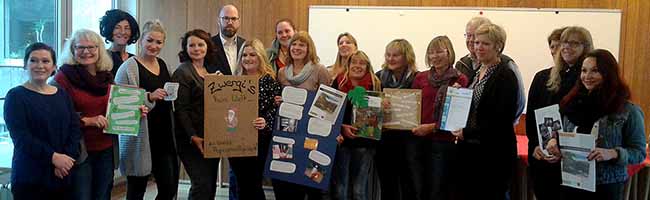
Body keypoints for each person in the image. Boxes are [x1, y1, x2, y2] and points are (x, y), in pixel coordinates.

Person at [554, 49, 646, 200]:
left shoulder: (627, 111)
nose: (587, 76)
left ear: (608, 74)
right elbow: (561, 136)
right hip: (572, 182)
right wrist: (553, 142)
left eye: (595, 71)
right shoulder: (570, 104)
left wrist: (613, 153)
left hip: (606, 186)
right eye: (584, 71)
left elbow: (639, 153)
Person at [451, 23, 519, 200]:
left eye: (485, 44)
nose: (478, 47)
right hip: (472, 151)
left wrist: (467, 132)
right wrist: (460, 94)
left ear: (498, 46)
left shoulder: (505, 75)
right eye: (476, 42)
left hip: (493, 153)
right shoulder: (478, 72)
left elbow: (501, 120)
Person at [4, 43, 81, 200]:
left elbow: (74, 128)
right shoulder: (15, 96)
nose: (40, 66)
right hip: (31, 177)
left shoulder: (62, 95)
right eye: (34, 60)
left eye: (45, 61)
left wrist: (65, 160)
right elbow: (22, 138)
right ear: (25, 65)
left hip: (63, 173)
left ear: (54, 67)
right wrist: (54, 158)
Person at [115, 20, 179, 200]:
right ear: (141, 40)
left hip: (164, 136)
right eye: (150, 40)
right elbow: (120, 107)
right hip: (139, 139)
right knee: (137, 190)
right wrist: (149, 97)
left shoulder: (163, 64)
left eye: (159, 42)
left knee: (168, 188)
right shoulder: (128, 68)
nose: (154, 46)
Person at [526, 26, 592, 200]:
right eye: (563, 42)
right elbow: (532, 119)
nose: (566, 47)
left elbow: (586, 121)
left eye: (573, 43)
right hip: (543, 157)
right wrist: (535, 146)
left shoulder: (589, 80)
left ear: (585, 47)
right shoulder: (542, 78)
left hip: (572, 159)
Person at [52, 29, 116, 200]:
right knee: (82, 196)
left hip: (106, 147)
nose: (86, 51)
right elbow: (56, 115)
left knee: (103, 195)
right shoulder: (62, 78)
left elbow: (115, 106)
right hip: (79, 151)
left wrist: (134, 112)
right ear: (72, 50)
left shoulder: (107, 77)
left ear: (99, 49)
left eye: (91, 47)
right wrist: (87, 121)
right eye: (80, 47)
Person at [273, 31, 331, 200]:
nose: (297, 48)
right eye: (294, 44)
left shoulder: (319, 70)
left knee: (312, 180)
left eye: (302, 45)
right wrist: (279, 101)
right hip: (286, 131)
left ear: (309, 48)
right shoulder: (282, 72)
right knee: (286, 177)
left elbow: (329, 105)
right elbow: (280, 99)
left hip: (313, 133)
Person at [411, 36, 468, 200]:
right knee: (418, 187)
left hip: (443, 141)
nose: (435, 56)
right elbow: (412, 106)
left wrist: (432, 127)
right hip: (418, 139)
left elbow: (457, 116)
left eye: (439, 51)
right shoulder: (420, 78)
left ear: (449, 52)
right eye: (431, 52)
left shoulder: (460, 79)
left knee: (438, 189)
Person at [230, 39, 282, 200]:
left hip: (260, 140)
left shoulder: (269, 80)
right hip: (235, 139)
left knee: (253, 183)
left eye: (253, 54)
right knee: (240, 183)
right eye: (244, 55)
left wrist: (266, 121)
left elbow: (277, 110)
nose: (248, 58)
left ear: (260, 56)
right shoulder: (233, 80)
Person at [173, 29, 221, 200]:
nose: (196, 48)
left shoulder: (210, 71)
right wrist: (192, 135)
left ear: (207, 47)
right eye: (191, 45)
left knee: (209, 185)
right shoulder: (183, 72)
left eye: (200, 44)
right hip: (191, 139)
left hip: (211, 137)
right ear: (185, 48)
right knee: (201, 184)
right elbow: (181, 109)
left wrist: (220, 84)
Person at [374, 39, 422, 200]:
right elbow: (365, 101)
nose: (390, 59)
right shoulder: (378, 77)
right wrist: (377, 103)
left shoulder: (417, 78)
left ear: (407, 57)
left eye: (396, 55)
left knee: (409, 181)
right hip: (385, 137)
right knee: (387, 182)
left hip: (409, 139)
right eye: (388, 55)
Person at [330, 50, 381, 200]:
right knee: (341, 188)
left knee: (359, 189)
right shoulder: (338, 82)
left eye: (362, 63)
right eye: (354, 62)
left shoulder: (376, 83)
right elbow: (329, 112)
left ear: (367, 66)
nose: (357, 66)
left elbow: (380, 116)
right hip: (343, 142)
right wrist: (341, 128)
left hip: (365, 143)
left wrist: (384, 106)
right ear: (348, 64)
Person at [454, 16, 525, 124]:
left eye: (485, 42)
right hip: (468, 132)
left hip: (493, 134)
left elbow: (518, 102)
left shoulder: (506, 67)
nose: (472, 41)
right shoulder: (462, 64)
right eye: (469, 35)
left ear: (496, 45)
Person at [99, 9, 140, 76]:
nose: (123, 32)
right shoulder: (102, 57)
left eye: (127, 28)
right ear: (109, 30)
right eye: (117, 27)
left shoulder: (135, 60)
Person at [211, 4, 246, 75]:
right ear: (218, 21)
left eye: (233, 19)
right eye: (226, 18)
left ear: (239, 21)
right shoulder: (209, 45)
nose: (230, 22)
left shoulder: (245, 45)